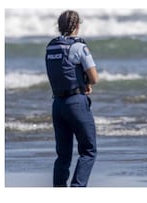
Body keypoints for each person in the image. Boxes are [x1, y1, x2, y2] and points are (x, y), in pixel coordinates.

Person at [45, 10, 99, 187]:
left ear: (60, 26)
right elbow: (94, 78)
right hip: (76, 103)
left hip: (57, 104)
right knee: (88, 150)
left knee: (63, 155)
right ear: (77, 25)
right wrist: (86, 83)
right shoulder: (79, 47)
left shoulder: (51, 47)